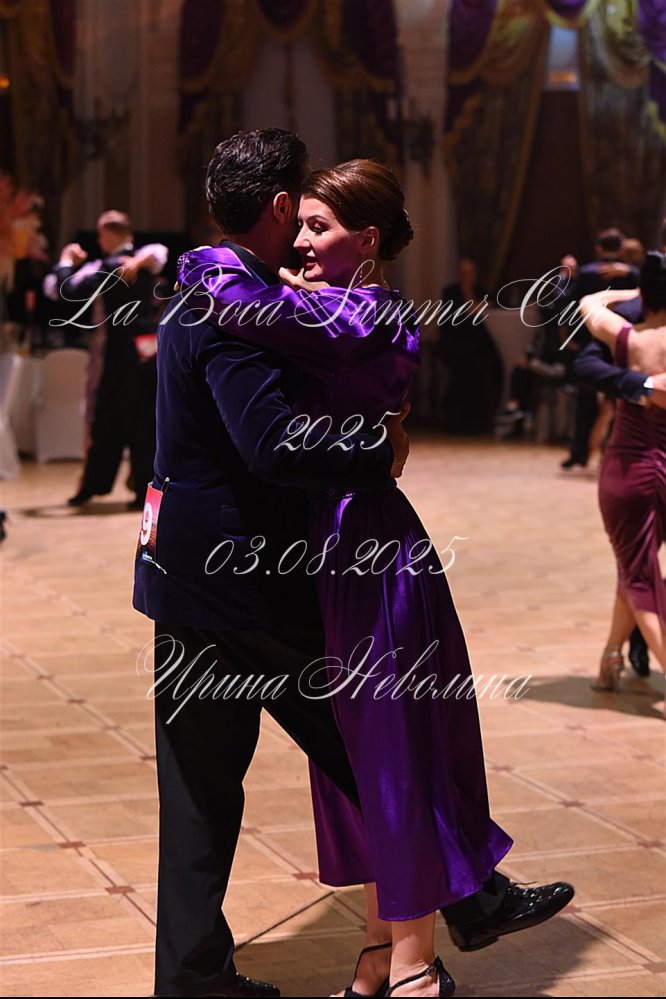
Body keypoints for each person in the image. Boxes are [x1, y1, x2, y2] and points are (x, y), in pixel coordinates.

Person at [178, 154, 574, 998]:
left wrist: (199, 259)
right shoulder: (321, 305)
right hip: (321, 551)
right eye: (299, 223)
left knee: (393, 747)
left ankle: (414, 968)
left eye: (319, 227)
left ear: (366, 239)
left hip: (369, 548)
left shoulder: (370, 313)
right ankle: (378, 954)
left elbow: (249, 309)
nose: (302, 241)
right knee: (355, 757)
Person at [134, 129, 415, 999]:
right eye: (302, 212)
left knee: (200, 790)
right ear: (283, 205)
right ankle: (469, 891)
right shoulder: (243, 310)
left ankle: (192, 976)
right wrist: (378, 452)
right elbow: (273, 445)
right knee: (371, 745)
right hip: (241, 582)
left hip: (182, 571)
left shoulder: (207, 286)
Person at [578, 253, 666, 694]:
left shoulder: (626, 336)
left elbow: (588, 303)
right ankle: (612, 655)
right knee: (636, 564)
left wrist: (627, 290)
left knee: (638, 573)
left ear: (646, 293)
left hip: (630, 468)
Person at [47, 211, 167, 509]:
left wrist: (65, 261)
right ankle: (143, 489)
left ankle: (94, 485)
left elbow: (67, 290)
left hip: (120, 355)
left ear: (107, 235)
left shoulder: (112, 266)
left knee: (108, 420)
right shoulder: (144, 261)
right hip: (148, 351)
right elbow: (159, 252)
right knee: (144, 422)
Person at [559, 229, 639, 471]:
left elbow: (564, 303)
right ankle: (615, 454)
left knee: (585, 399)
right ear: (621, 249)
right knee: (620, 400)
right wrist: (631, 272)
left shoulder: (585, 273)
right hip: (623, 342)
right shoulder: (632, 275)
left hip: (590, 342)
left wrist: (565, 276)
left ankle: (579, 452)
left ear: (598, 248)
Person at [439, 258, 503, 434]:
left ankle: (475, 421)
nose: (467, 276)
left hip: (475, 344)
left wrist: (475, 306)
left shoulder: (481, 291)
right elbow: (459, 317)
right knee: (463, 372)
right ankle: (458, 421)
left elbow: (486, 311)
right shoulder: (451, 292)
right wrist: (475, 306)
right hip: (455, 343)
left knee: (477, 370)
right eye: (464, 273)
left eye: (470, 272)